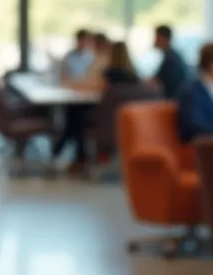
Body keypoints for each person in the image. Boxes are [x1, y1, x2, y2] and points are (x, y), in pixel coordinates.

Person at [54, 41, 141, 175]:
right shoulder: (134, 76)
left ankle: (77, 158)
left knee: (76, 115)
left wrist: (73, 83)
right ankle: (64, 152)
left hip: (106, 121)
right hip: (127, 123)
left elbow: (93, 86)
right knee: (76, 114)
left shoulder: (110, 74)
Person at [151, 24, 190, 99]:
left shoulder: (171, 59)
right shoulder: (172, 55)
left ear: (163, 38)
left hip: (173, 100)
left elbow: (158, 81)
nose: (154, 41)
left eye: (156, 37)